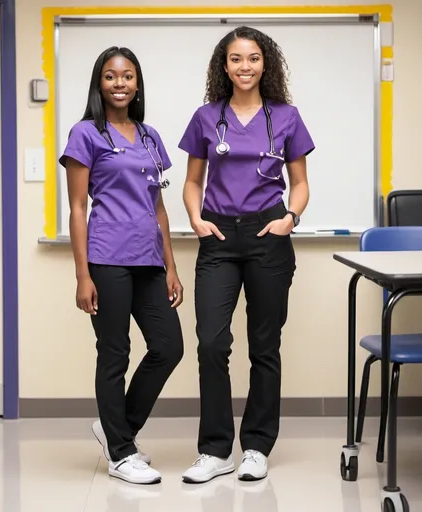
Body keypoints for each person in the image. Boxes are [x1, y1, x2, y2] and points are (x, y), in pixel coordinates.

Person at [178, 26, 315, 483]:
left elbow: (300, 183)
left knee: (265, 346)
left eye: (253, 58)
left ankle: (256, 446)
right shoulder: (205, 117)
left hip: (268, 234)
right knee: (211, 344)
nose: (245, 67)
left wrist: (289, 218)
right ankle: (216, 451)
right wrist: (196, 219)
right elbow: (193, 181)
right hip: (218, 237)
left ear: (265, 64)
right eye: (236, 59)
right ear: (224, 65)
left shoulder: (286, 117)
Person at [59, 46, 184, 485]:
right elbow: (77, 208)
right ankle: (120, 453)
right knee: (115, 353)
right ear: (99, 83)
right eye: (111, 76)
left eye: (128, 76)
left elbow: (160, 208)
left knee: (169, 347)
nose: (119, 84)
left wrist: (170, 266)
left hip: (149, 259)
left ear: (137, 83)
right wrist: (82, 274)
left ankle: (118, 432)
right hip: (107, 258)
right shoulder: (85, 134)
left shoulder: (150, 137)